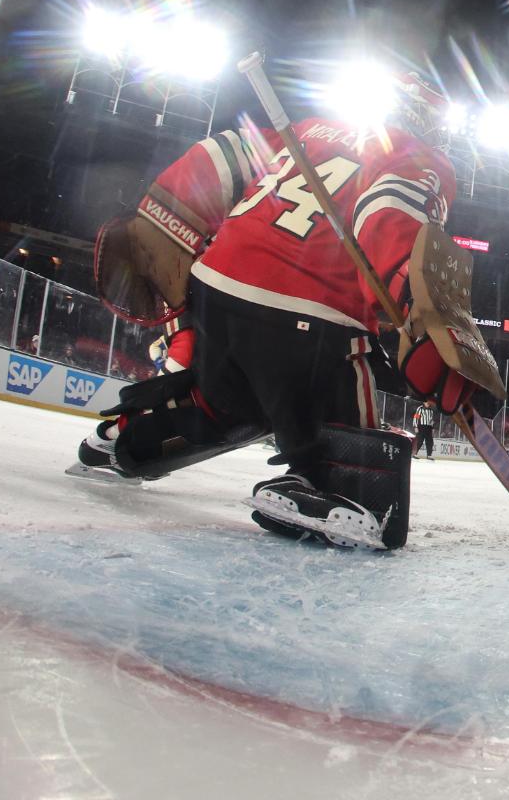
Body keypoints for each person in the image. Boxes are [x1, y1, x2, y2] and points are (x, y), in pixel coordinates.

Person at [78, 69, 486, 548]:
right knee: (342, 397)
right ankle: (320, 481)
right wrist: (429, 321)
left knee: (227, 407)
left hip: (213, 287)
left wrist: (162, 218)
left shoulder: (309, 129)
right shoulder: (422, 159)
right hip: (309, 310)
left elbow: (217, 157)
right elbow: (390, 222)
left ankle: (125, 438)